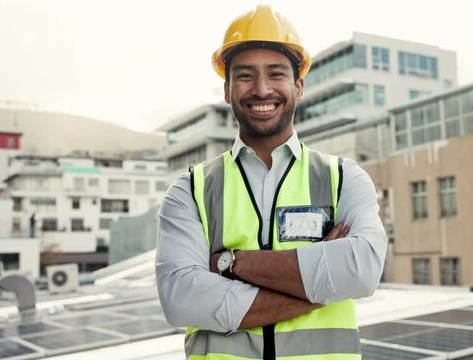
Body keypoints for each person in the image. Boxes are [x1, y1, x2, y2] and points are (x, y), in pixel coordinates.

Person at [156, 5, 387, 360]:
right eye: (245, 76)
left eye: (276, 74)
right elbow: (180, 298)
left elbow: (362, 271)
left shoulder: (345, 179)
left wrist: (230, 263)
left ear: (298, 85)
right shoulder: (190, 190)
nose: (261, 89)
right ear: (227, 90)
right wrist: (321, 283)